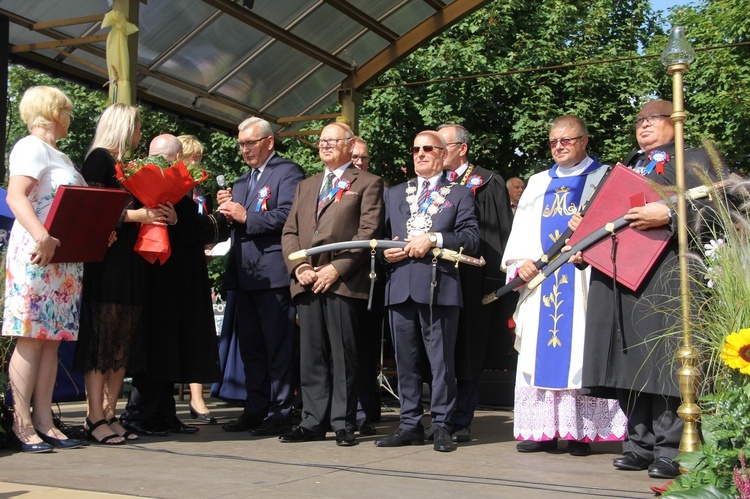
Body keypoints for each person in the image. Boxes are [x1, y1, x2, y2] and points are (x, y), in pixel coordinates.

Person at [578, 100, 719, 479]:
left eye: (652, 119)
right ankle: (638, 442)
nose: (643, 126)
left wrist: (671, 213)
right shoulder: (626, 166)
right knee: (628, 361)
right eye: (639, 120)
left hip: (668, 273)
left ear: (675, 119)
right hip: (620, 275)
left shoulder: (695, 158)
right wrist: (584, 235)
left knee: (663, 361)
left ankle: (671, 447)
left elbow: (722, 208)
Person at [501, 115, 626, 456]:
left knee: (582, 354)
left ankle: (579, 433)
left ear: (584, 141)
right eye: (554, 141)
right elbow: (521, 232)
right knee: (537, 356)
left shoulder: (604, 178)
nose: (559, 146)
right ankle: (541, 430)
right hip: (542, 281)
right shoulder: (538, 182)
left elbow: (619, 231)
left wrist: (592, 254)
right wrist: (519, 263)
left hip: (584, 279)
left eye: (567, 140)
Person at [374, 130, 479, 453]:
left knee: (441, 363)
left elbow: (472, 238)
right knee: (406, 362)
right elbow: (378, 239)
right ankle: (408, 424)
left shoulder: (459, 193)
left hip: (440, 287)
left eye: (428, 149)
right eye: (416, 148)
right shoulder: (394, 193)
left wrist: (435, 238)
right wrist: (385, 253)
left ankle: (442, 425)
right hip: (400, 286)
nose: (420, 154)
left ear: (443, 153)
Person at [281, 122, 384, 447]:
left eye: (332, 141)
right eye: (321, 141)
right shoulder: (306, 185)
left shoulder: (368, 182)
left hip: (343, 283)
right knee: (310, 355)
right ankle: (312, 421)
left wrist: (336, 269)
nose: (324, 146)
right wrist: (299, 267)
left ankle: (343, 421)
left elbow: (367, 232)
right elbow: (290, 232)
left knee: (343, 355)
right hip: (308, 281)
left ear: (350, 144)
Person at [120, 134, 229, 437]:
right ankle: (142, 414)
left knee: (172, 346)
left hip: (175, 276)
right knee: (157, 345)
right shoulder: (143, 187)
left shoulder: (177, 187)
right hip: (158, 276)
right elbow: (192, 229)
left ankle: (164, 414)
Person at [74, 103, 168, 444]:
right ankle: (94, 416)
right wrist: (136, 216)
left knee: (122, 342)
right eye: (138, 127)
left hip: (131, 260)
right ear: (125, 127)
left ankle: (111, 413)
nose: (140, 134)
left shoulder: (127, 165)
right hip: (107, 262)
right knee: (103, 337)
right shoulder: (99, 158)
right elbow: (93, 208)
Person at [2, 86, 85, 452]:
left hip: (62, 260)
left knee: (51, 343)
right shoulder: (31, 146)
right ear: (55, 112)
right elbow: (15, 195)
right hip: (39, 254)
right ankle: (21, 423)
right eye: (67, 109)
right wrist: (42, 236)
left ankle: (44, 422)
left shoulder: (58, 154)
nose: (70, 116)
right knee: (31, 337)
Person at [215, 117, 305, 436]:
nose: (244, 150)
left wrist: (246, 215)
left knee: (278, 346)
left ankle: (281, 410)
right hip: (243, 274)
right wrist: (225, 213)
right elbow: (236, 224)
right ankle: (255, 408)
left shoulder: (288, 172)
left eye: (249, 143)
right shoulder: (241, 181)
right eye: (240, 144)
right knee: (250, 347)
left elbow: (289, 216)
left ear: (268, 142)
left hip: (273, 275)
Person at [436, 124, 515, 443]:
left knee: (468, 349)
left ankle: (462, 417)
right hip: (438, 279)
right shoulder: (434, 184)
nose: (436, 153)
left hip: (473, 281)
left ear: (462, 148)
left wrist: (493, 285)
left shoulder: (487, 182)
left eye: (443, 146)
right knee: (441, 349)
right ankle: (439, 413)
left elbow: (498, 236)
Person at [177, 134, 215, 423]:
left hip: (198, 264)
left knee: (198, 328)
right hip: (174, 264)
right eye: (195, 157)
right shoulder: (173, 188)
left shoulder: (201, 192)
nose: (198, 163)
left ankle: (198, 397)